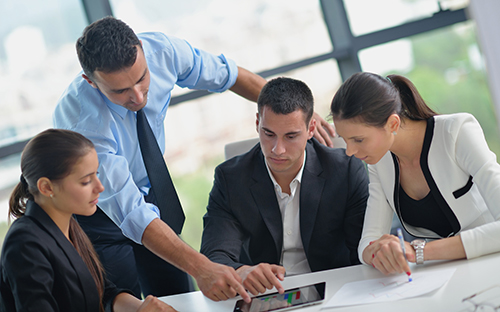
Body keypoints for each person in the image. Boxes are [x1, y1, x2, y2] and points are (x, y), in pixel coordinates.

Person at [53, 16, 335, 301]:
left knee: (175, 295)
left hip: (148, 193)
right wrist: (203, 268)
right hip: (96, 212)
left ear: (141, 48)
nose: (138, 97)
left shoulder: (163, 52)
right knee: (122, 300)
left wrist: (296, 113)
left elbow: (230, 75)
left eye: (141, 79)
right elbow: (131, 212)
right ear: (90, 81)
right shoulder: (84, 123)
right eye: (120, 91)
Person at [200, 77, 369, 296]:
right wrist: (241, 271)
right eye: (268, 134)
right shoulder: (230, 179)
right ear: (257, 123)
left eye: (291, 136)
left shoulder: (345, 171)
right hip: (267, 296)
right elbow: (215, 255)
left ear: (310, 129)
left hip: (335, 291)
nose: (277, 149)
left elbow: (364, 247)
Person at [330, 72, 500, 277]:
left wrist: (417, 251)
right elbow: (367, 242)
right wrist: (380, 251)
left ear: (392, 124)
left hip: (490, 263)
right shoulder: (380, 160)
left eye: (358, 140)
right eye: (345, 139)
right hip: (440, 275)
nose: (349, 151)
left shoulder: (456, 131)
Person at [0, 129, 176, 312]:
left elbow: (102, 291)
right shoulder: (24, 243)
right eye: (86, 181)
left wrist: (141, 307)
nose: (100, 187)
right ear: (46, 187)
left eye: (96, 175)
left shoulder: (68, 225)